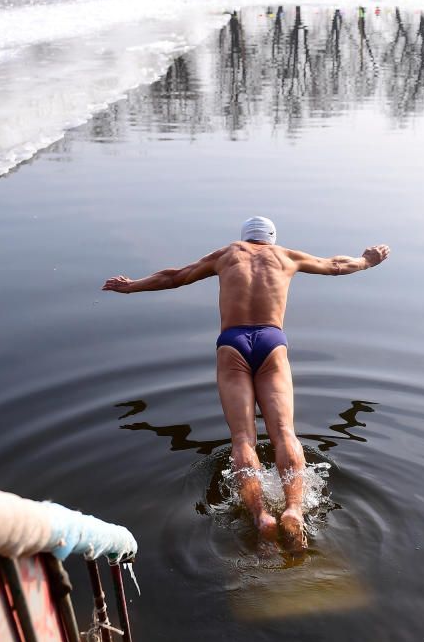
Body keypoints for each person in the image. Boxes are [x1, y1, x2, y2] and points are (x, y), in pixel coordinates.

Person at [102, 217, 390, 552]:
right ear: (271, 239)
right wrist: (368, 260)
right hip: (272, 343)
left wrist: (132, 285)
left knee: (242, 439)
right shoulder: (287, 256)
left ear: (244, 238)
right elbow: (336, 265)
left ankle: (260, 517)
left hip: (232, 343)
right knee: (284, 432)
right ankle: (294, 509)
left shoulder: (226, 255)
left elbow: (174, 277)